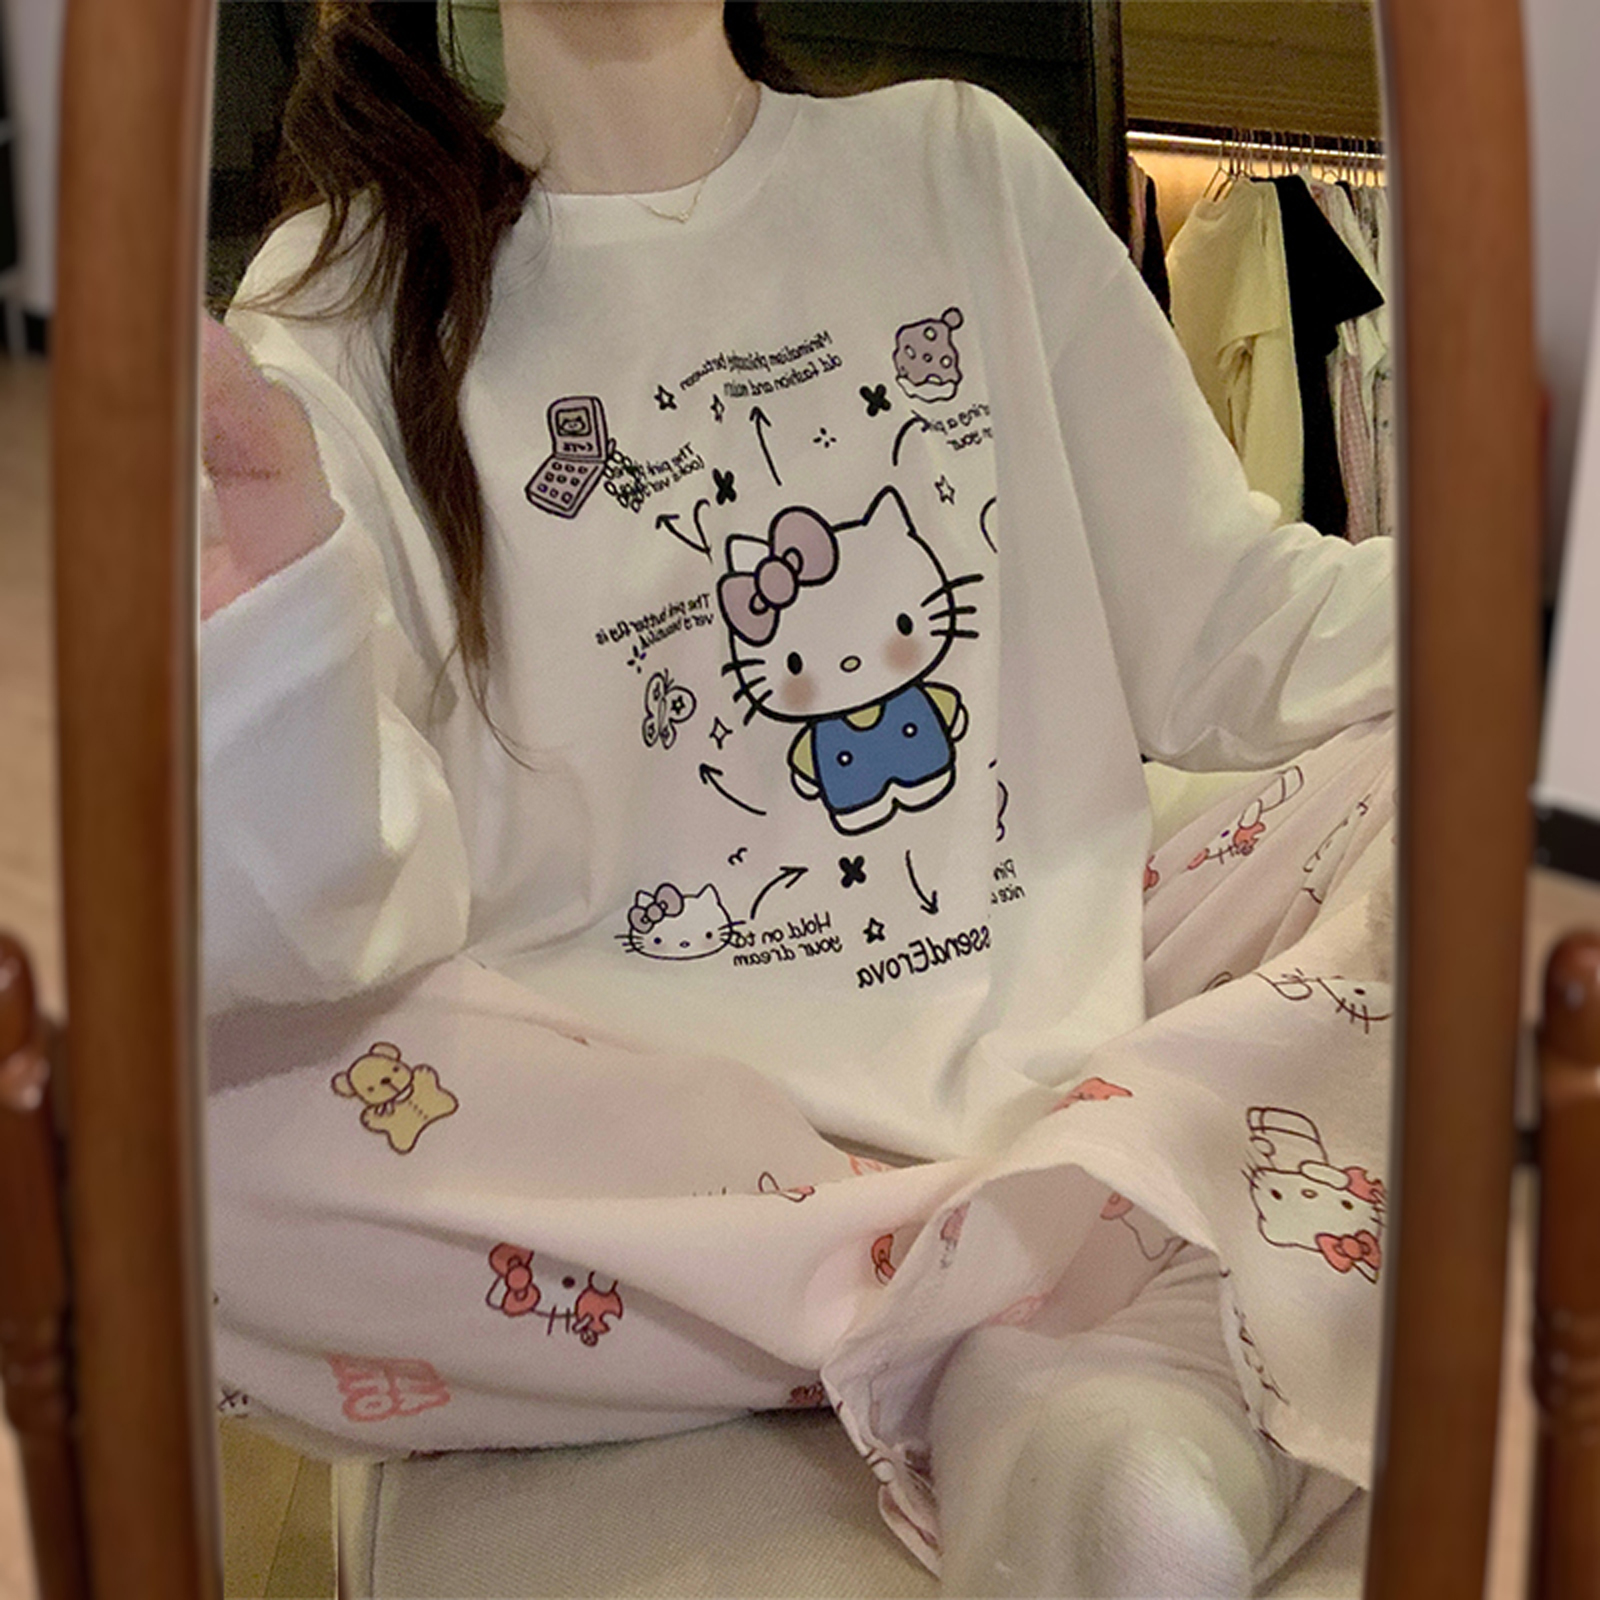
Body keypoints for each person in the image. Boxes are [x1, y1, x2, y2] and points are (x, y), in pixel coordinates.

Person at [201, 4, 1397, 1593]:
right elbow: (336, 895)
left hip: (1049, 1071)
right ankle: (1058, 1317)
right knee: (171, 1093)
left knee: (1465, 806)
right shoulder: (344, 292)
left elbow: (1230, 630)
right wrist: (257, 654)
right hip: (645, 1169)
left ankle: (1021, 1313)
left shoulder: (961, 165)